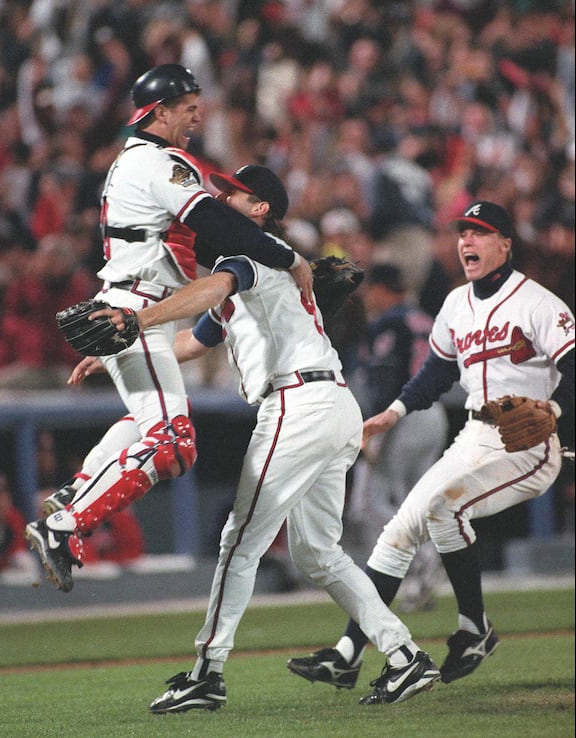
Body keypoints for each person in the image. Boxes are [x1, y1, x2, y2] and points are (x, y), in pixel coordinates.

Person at [73, 167, 441, 711]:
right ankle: (405, 656)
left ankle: (206, 673)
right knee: (318, 554)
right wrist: (116, 357)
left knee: (237, 541)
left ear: (261, 207)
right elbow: (193, 345)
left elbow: (215, 287)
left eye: (234, 194)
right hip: (329, 403)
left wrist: (137, 318)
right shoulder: (258, 266)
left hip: (299, 404)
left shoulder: (257, 251)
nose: (221, 199)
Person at [25, 63, 313, 594]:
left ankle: (76, 493)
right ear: (158, 112)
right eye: (187, 108)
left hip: (137, 309)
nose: (196, 116)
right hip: (135, 309)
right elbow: (216, 224)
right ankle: (65, 524)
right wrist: (286, 254)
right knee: (172, 445)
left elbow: (201, 241)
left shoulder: (136, 163)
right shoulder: (158, 160)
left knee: (148, 424)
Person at [288, 201, 575, 688]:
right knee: (396, 532)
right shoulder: (455, 303)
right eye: (463, 233)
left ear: (506, 244)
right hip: (473, 433)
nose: (468, 242)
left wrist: (554, 411)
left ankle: (473, 626)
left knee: (444, 509)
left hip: (527, 444)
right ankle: (347, 653)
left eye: (480, 233)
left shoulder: (541, 304)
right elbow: (437, 372)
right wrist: (392, 413)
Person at [346, 263, 448, 612]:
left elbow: (387, 377)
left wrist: (374, 428)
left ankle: (422, 559)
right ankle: (422, 575)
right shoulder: (423, 318)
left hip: (399, 415)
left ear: (384, 289)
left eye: (372, 288)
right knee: (415, 502)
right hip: (434, 413)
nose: (368, 296)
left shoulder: (389, 323)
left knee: (368, 502)